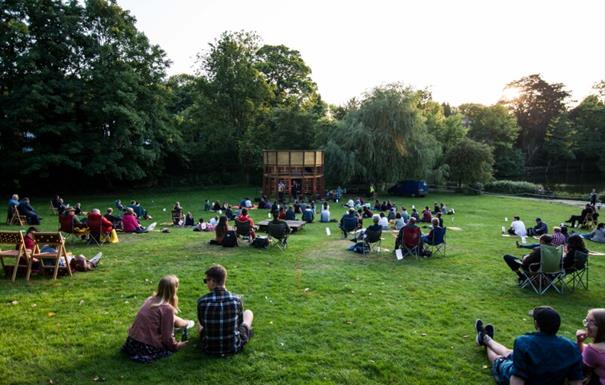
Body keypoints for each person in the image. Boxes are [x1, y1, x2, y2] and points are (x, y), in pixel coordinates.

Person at [475, 306, 583, 385]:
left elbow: (517, 378)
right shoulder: (572, 347)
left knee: (499, 359)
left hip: (528, 379)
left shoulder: (524, 342)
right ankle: (486, 338)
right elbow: (576, 381)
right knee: (509, 353)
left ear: (536, 324)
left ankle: (485, 340)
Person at [122, 275, 193, 363]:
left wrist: (184, 323)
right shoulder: (167, 308)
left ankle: (186, 323)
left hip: (132, 343)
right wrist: (177, 346)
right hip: (146, 346)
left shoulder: (150, 300)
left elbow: (172, 319)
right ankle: (186, 324)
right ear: (174, 290)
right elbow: (167, 337)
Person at [197, 265, 253, 356]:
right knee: (249, 313)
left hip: (209, 348)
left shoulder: (202, 301)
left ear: (212, 281)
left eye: (206, 280)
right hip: (233, 346)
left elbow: (202, 323)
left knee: (198, 323)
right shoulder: (237, 300)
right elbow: (239, 323)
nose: (206, 283)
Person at [576, 308, 605, 385]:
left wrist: (579, 342)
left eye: (591, 322)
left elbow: (581, 367)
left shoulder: (593, 350)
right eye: (586, 321)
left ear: (602, 326)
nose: (586, 326)